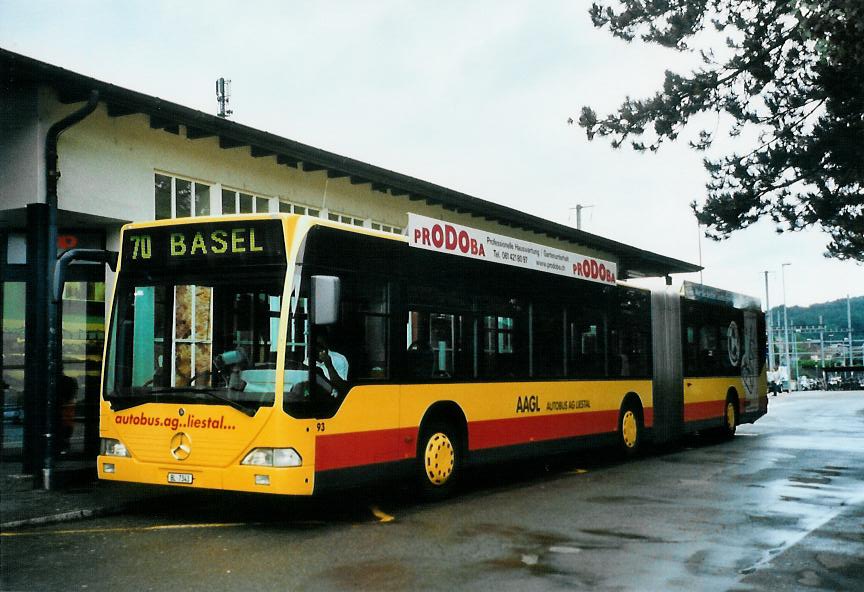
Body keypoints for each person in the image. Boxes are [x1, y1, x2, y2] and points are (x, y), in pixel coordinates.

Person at [315, 331, 349, 398]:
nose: (320, 349)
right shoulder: (307, 362)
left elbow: (342, 387)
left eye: (322, 345)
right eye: (317, 345)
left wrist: (329, 366)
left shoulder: (339, 359)